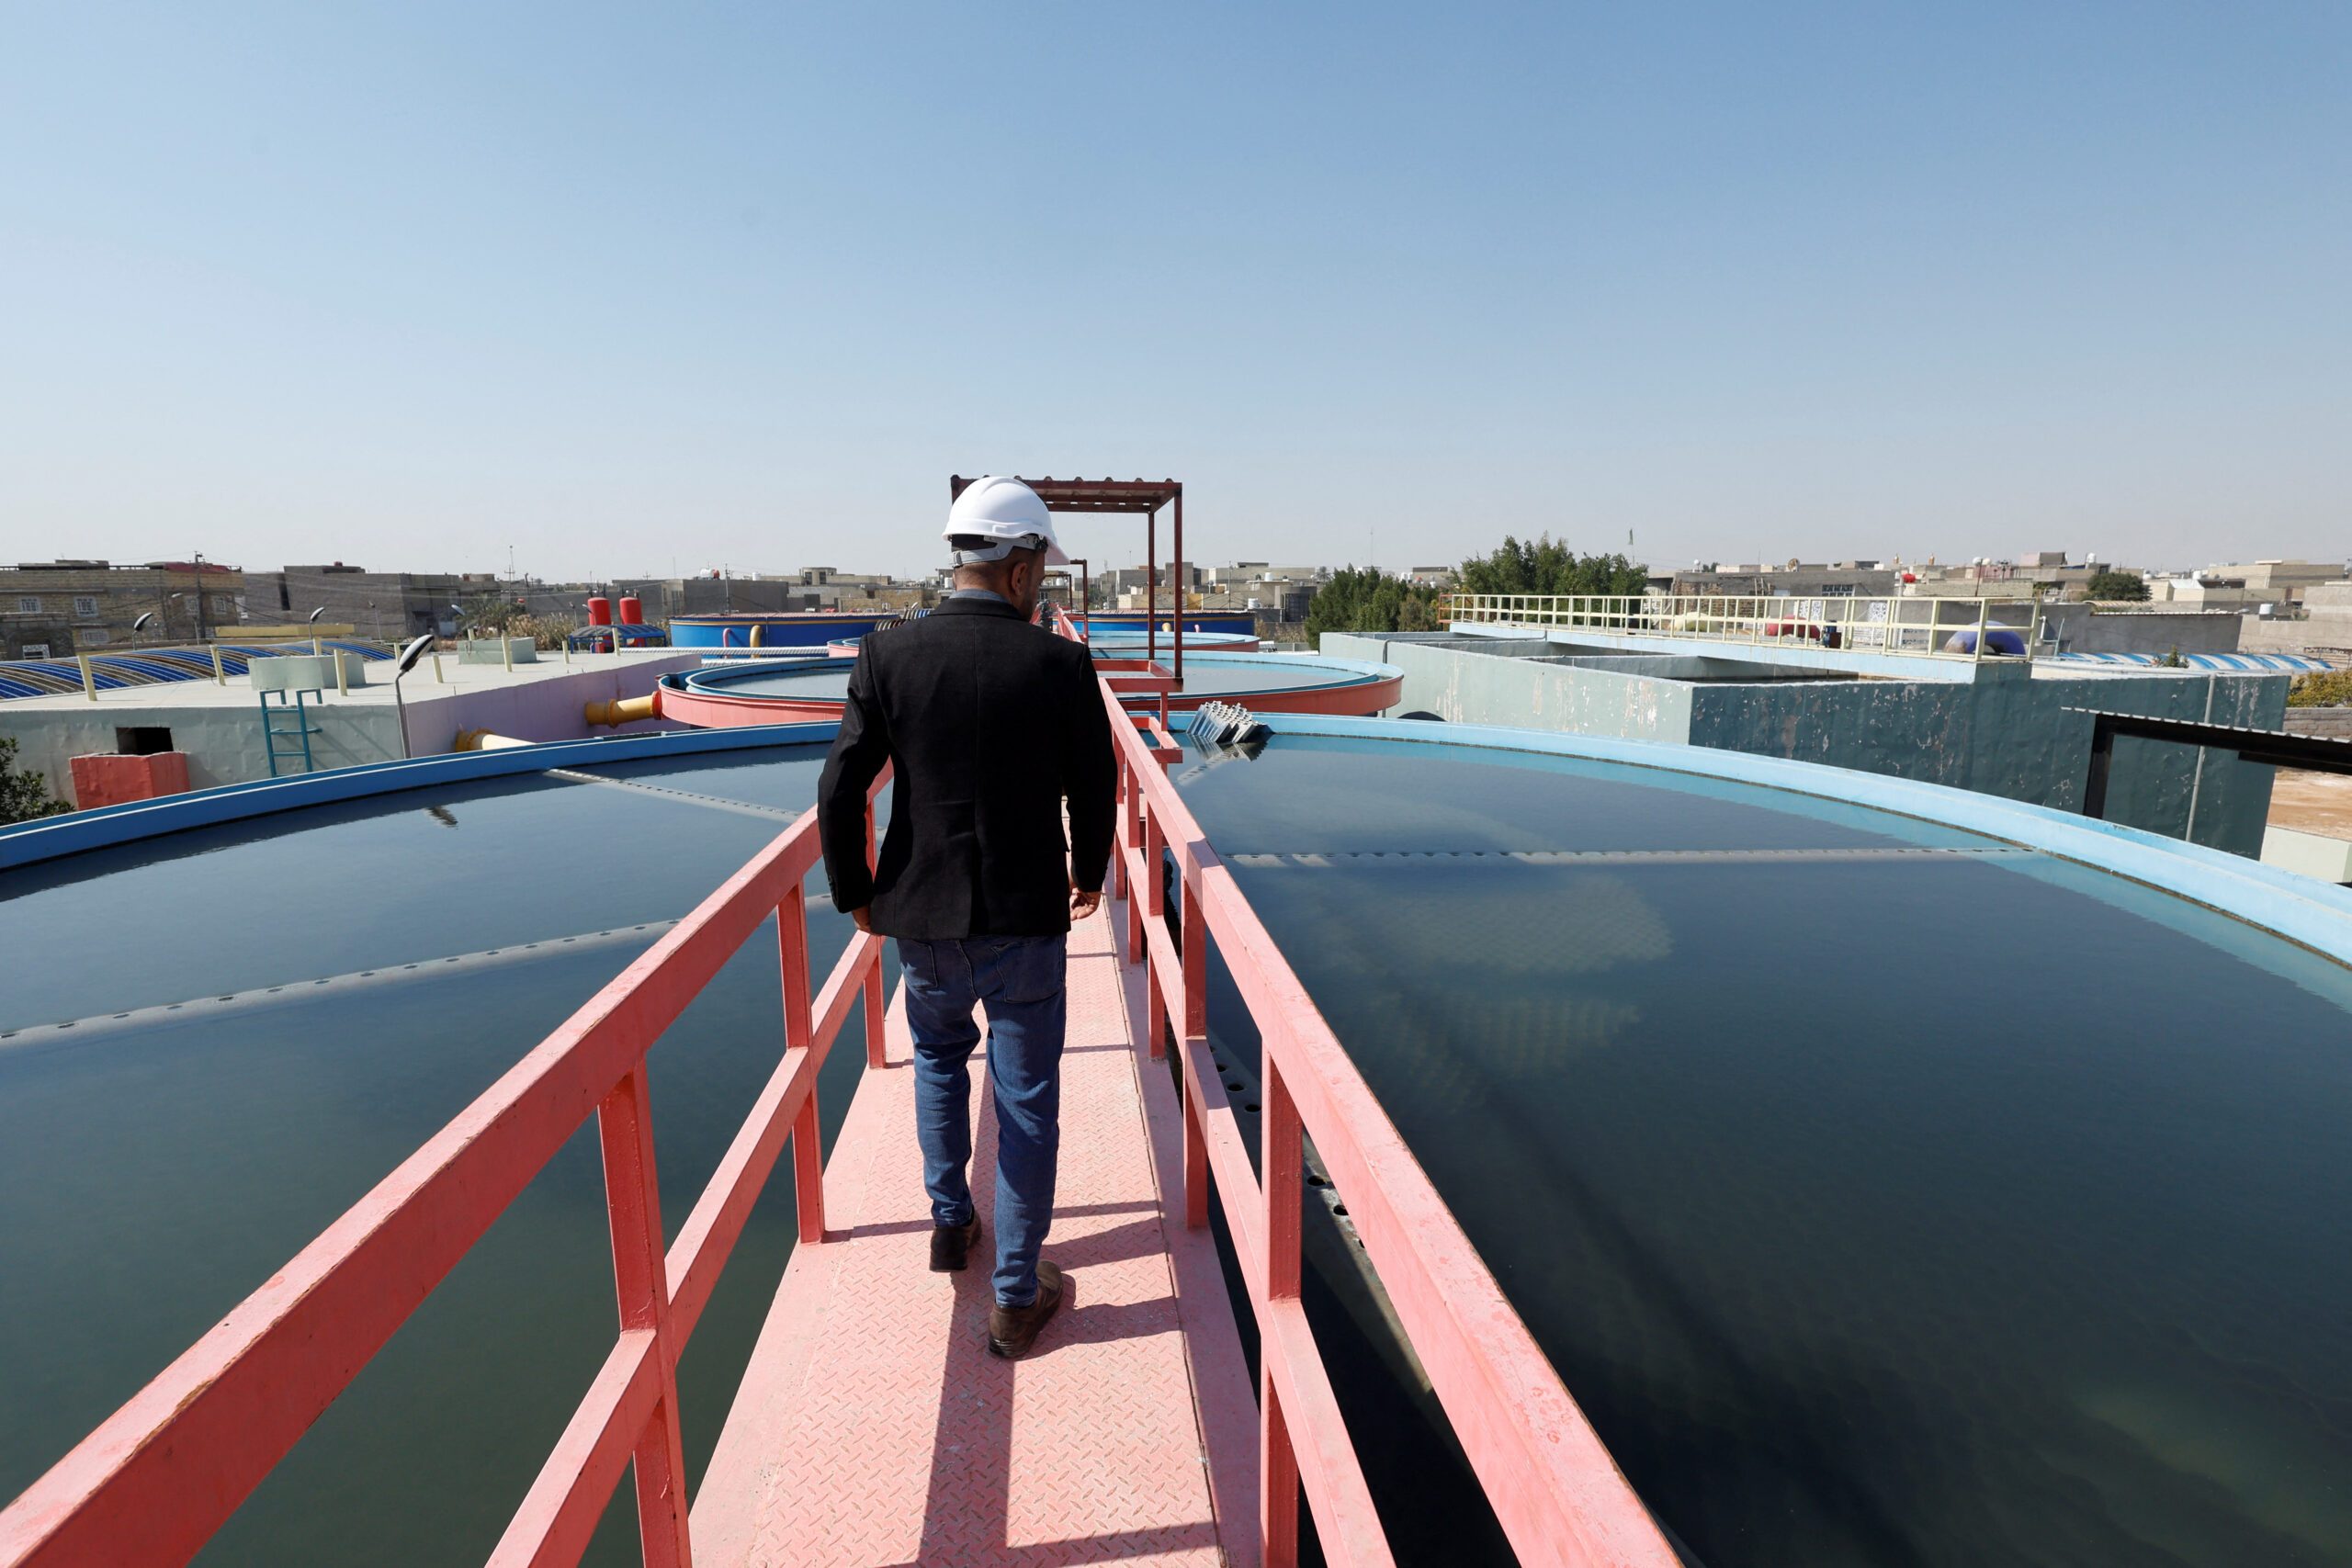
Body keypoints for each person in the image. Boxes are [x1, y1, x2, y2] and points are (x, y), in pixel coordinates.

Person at [817, 475, 1115, 1359]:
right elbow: (1095, 779)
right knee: (1025, 1103)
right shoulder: (1059, 664)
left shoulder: (887, 656)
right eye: (1042, 572)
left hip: (922, 916)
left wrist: (857, 893)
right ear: (1021, 570)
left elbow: (839, 785)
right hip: (1025, 916)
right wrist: (1088, 867)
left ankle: (951, 1223)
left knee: (939, 1063)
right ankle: (1017, 1298)